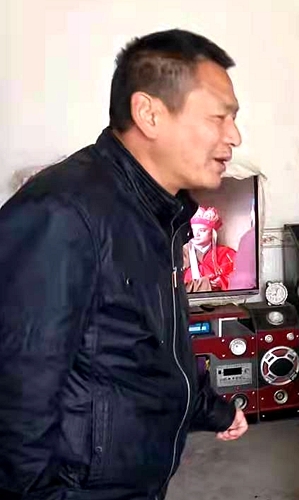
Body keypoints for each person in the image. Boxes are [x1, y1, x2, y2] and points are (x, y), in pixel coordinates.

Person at [0, 29, 248, 499]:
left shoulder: (160, 212)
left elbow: (149, 346)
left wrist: (213, 409)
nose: (233, 136)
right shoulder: (63, 213)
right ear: (149, 113)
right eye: (219, 117)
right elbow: (15, 399)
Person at [182, 205, 238, 292]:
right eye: (194, 230)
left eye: (202, 230)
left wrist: (221, 281)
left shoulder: (227, 254)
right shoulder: (181, 253)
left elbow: (241, 280)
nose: (196, 234)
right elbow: (174, 287)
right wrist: (207, 284)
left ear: (212, 232)